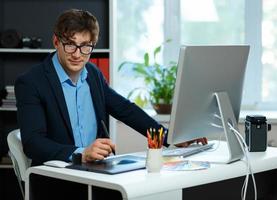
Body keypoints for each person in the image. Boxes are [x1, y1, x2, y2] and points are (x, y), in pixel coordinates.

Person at [15, 9, 207, 167]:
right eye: (70, 45)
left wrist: (170, 138)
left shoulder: (93, 74)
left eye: (85, 46)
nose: (77, 54)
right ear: (56, 42)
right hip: (56, 176)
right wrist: (81, 153)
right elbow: (33, 143)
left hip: (97, 169)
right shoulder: (31, 82)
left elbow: (126, 110)